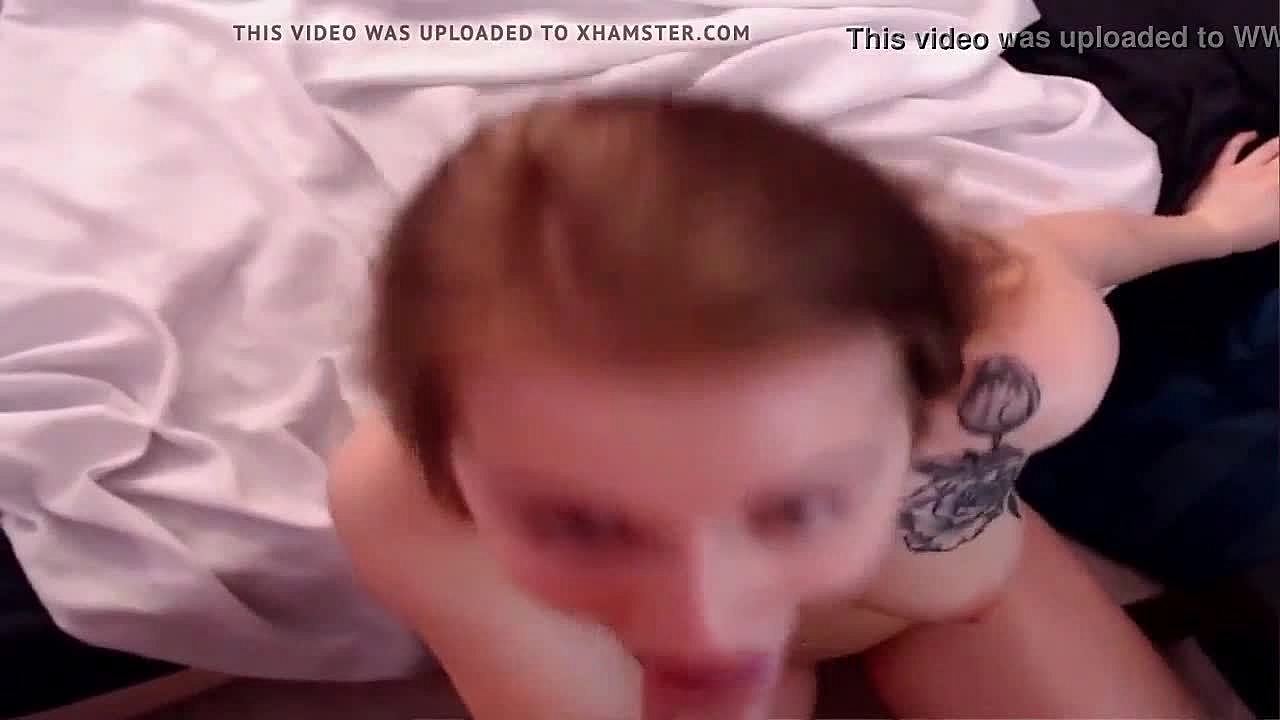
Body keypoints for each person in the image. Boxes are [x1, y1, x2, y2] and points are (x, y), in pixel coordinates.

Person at [327, 97, 1279, 720]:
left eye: (794, 502)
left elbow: (1071, 250)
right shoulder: (413, 499)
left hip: (941, 605)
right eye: (586, 521)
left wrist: (1210, 229)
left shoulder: (1024, 357)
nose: (708, 617)